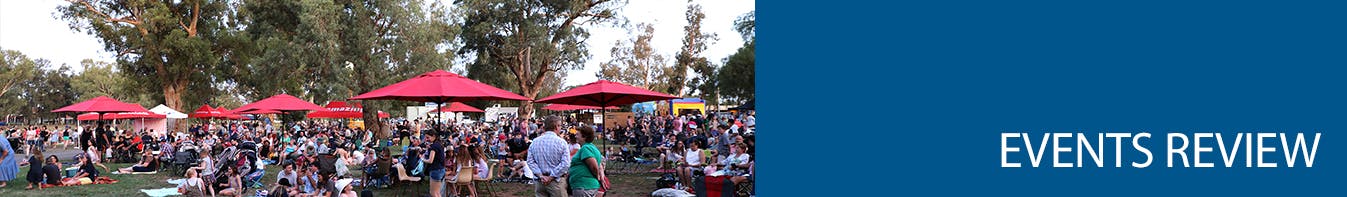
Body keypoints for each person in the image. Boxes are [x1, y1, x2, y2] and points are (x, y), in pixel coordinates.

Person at [528, 115, 571, 197]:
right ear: (556, 126)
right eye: (560, 126)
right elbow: (565, 164)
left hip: (540, 182)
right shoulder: (561, 142)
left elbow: (530, 161)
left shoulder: (535, 142)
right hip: (556, 182)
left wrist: (540, 175)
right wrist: (551, 177)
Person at [568, 126, 609, 197]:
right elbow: (599, 165)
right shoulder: (590, 147)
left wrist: (597, 176)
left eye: (577, 134)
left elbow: (594, 166)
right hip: (585, 186)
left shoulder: (585, 148)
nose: (575, 136)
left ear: (584, 137)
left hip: (584, 187)